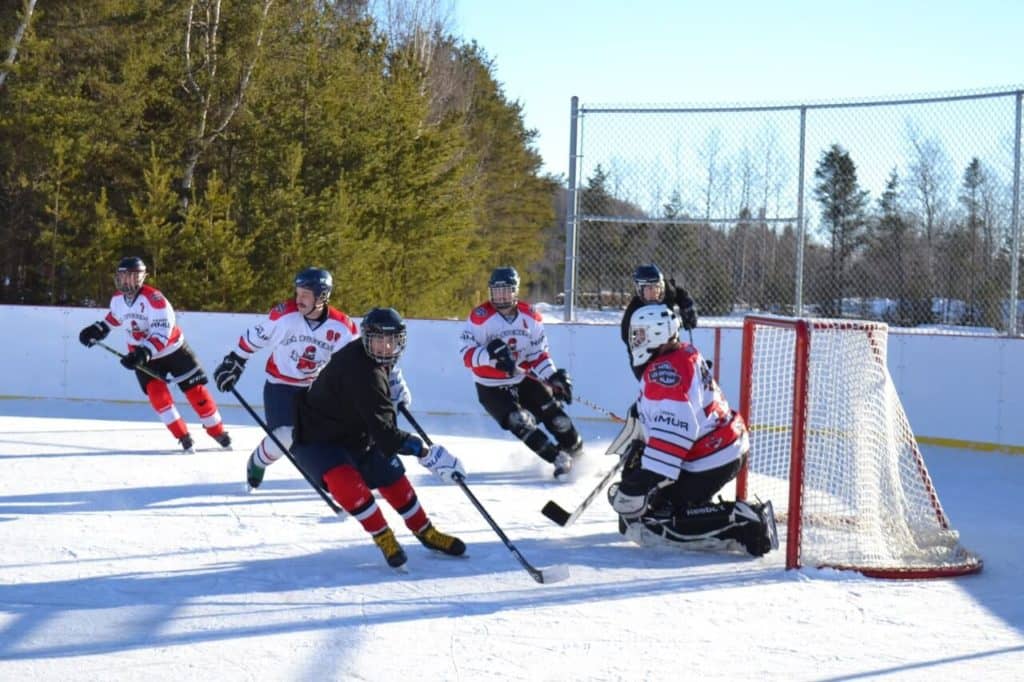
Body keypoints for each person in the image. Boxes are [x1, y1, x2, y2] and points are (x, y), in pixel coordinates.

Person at [291, 307, 466, 569]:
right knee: (345, 481)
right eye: (378, 339)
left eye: (391, 339)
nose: (385, 346)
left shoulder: (376, 362)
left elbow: (381, 416)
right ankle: (382, 535)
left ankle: (425, 531)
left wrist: (393, 381)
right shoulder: (364, 373)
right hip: (318, 437)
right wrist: (426, 453)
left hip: (356, 431)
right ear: (366, 339)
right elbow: (386, 434)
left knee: (390, 473)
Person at [211, 267, 406, 491]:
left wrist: (389, 382)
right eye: (297, 292)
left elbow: (363, 360)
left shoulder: (342, 327)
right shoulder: (284, 317)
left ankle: (348, 477)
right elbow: (253, 337)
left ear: (322, 296)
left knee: (336, 432)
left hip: (314, 387)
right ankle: (257, 461)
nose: (299, 299)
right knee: (288, 436)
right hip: (280, 385)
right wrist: (234, 361)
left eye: (305, 294)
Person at [608, 304, 777, 557]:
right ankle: (700, 509)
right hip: (722, 445)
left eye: (640, 334)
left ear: (658, 334)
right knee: (639, 513)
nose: (635, 341)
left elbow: (673, 437)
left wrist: (639, 484)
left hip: (711, 457)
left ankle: (743, 523)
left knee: (651, 524)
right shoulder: (681, 351)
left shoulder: (664, 372)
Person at [78, 256, 231, 452]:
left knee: (197, 392)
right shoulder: (117, 300)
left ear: (141, 278)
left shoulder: (155, 300)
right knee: (157, 396)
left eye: (132, 277)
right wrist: (98, 329)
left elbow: (162, 335)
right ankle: (182, 436)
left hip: (173, 350)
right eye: (123, 277)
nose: (126, 281)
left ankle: (217, 431)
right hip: (142, 353)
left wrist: (142, 354)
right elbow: (114, 319)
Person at [459, 266, 583, 480]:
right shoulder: (480, 317)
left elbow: (538, 353)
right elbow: (466, 355)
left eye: (505, 291)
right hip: (490, 386)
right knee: (520, 421)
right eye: (496, 291)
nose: (500, 296)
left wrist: (552, 377)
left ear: (515, 291)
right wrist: (494, 358)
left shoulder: (531, 317)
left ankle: (579, 457)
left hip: (523, 378)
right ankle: (558, 459)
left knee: (557, 418)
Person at [620, 264, 698, 378]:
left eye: (656, 287)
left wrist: (687, 306)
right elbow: (626, 337)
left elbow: (679, 293)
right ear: (640, 290)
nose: (654, 292)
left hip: (672, 347)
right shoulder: (634, 311)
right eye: (649, 288)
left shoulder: (666, 293)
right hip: (648, 360)